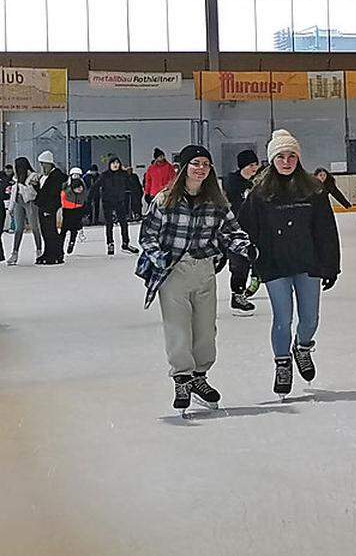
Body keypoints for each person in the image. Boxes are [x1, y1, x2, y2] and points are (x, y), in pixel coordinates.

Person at [137, 144, 252, 415]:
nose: (201, 169)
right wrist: (160, 258)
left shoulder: (216, 201)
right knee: (178, 329)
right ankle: (182, 378)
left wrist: (247, 247)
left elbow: (231, 232)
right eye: (195, 163)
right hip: (174, 271)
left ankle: (199, 378)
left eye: (205, 164)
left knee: (205, 330)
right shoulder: (165, 200)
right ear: (183, 168)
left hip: (204, 270)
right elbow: (148, 236)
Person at [239, 130, 341, 399]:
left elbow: (326, 230)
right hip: (274, 265)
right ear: (272, 160)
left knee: (309, 318)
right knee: (282, 318)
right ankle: (282, 362)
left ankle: (303, 347)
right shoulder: (259, 194)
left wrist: (331, 264)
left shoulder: (314, 190)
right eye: (281, 156)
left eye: (291, 156)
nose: (286, 161)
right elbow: (244, 231)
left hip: (308, 262)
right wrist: (247, 264)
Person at [223, 149, 261, 316]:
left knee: (256, 259)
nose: (255, 168)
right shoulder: (232, 182)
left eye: (256, 164)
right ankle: (237, 296)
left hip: (255, 229)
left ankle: (253, 282)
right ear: (243, 166)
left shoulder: (257, 183)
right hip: (235, 230)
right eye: (251, 165)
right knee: (239, 264)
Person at [90, 157, 140, 256]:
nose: (115, 165)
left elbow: (132, 186)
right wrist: (89, 200)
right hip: (107, 202)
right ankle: (110, 243)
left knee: (124, 223)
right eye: (113, 163)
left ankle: (125, 243)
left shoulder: (123, 175)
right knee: (109, 224)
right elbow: (95, 187)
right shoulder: (104, 175)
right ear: (110, 164)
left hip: (120, 201)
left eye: (117, 162)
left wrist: (129, 176)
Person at [6, 157, 40, 266]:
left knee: (34, 227)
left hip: (30, 202)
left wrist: (24, 184)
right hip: (18, 202)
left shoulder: (33, 176)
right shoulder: (15, 178)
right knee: (18, 228)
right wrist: (11, 207)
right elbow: (13, 193)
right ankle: (14, 253)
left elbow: (34, 193)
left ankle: (39, 251)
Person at [34, 151, 67, 266]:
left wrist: (48, 208)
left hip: (49, 208)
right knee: (46, 232)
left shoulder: (55, 177)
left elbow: (52, 194)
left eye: (43, 164)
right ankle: (48, 252)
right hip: (43, 207)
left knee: (50, 232)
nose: (42, 167)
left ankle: (55, 254)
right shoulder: (45, 177)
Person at [60, 167, 87, 255]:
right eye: (74, 175)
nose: (76, 177)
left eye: (78, 175)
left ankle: (71, 243)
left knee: (74, 229)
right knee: (64, 229)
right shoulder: (66, 184)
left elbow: (84, 196)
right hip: (67, 209)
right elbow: (62, 193)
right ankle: (60, 245)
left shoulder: (82, 184)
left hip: (78, 208)